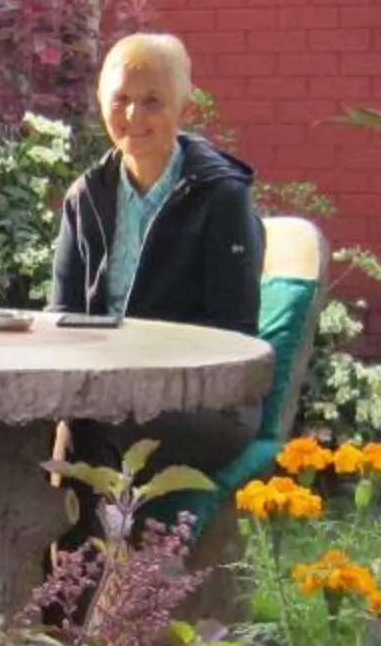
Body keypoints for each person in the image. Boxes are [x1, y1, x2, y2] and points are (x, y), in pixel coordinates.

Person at [48, 30, 264, 499]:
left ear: (183, 106)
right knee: (13, 428)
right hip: (105, 389)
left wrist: (141, 382)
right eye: (121, 99)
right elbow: (60, 317)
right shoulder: (87, 196)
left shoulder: (221, 197)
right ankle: (52, 545)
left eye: (152, 101)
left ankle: (96, 548)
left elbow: (234, 334)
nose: (133, 116)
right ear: (101, 102)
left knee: (99, 427)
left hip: (209, 400)